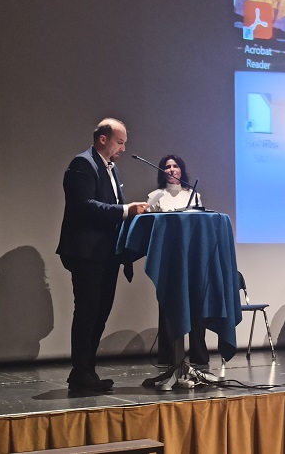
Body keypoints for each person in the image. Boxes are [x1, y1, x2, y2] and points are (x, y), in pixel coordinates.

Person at [56, 118, 149, 392]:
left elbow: (113, 206)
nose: (122, 148)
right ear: (103, 139)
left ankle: (86, 371)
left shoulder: (112, 169)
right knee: (87, 311)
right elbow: (83, 205)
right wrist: (125, 210)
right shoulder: (82, 164)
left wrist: (130, 213)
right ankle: (81, 371)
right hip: (86, 253)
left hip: (107, 253)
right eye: (120, 142)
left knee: (101, 312)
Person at [149, 154, 208, 367]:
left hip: (192, 260)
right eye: (167, 166)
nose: (172, 169)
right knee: (168, 307)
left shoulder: (194, 195)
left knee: (196, 307)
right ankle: (168, 358)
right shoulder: (155, 196)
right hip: (168, 260)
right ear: (162, 171)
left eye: (175, 166)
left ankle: (199, 358)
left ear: (181, 170)